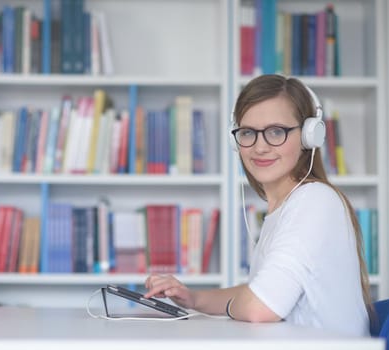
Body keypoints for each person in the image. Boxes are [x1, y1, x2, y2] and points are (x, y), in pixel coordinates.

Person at [144, 74, 373, 336]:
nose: (260, 147)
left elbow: (259, 307)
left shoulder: (315, 201)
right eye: (248, 132)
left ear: (309, 136)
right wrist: (193, 299)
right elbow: (259, 293)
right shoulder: (284, 208)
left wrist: (240, 304)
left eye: (277, 131)